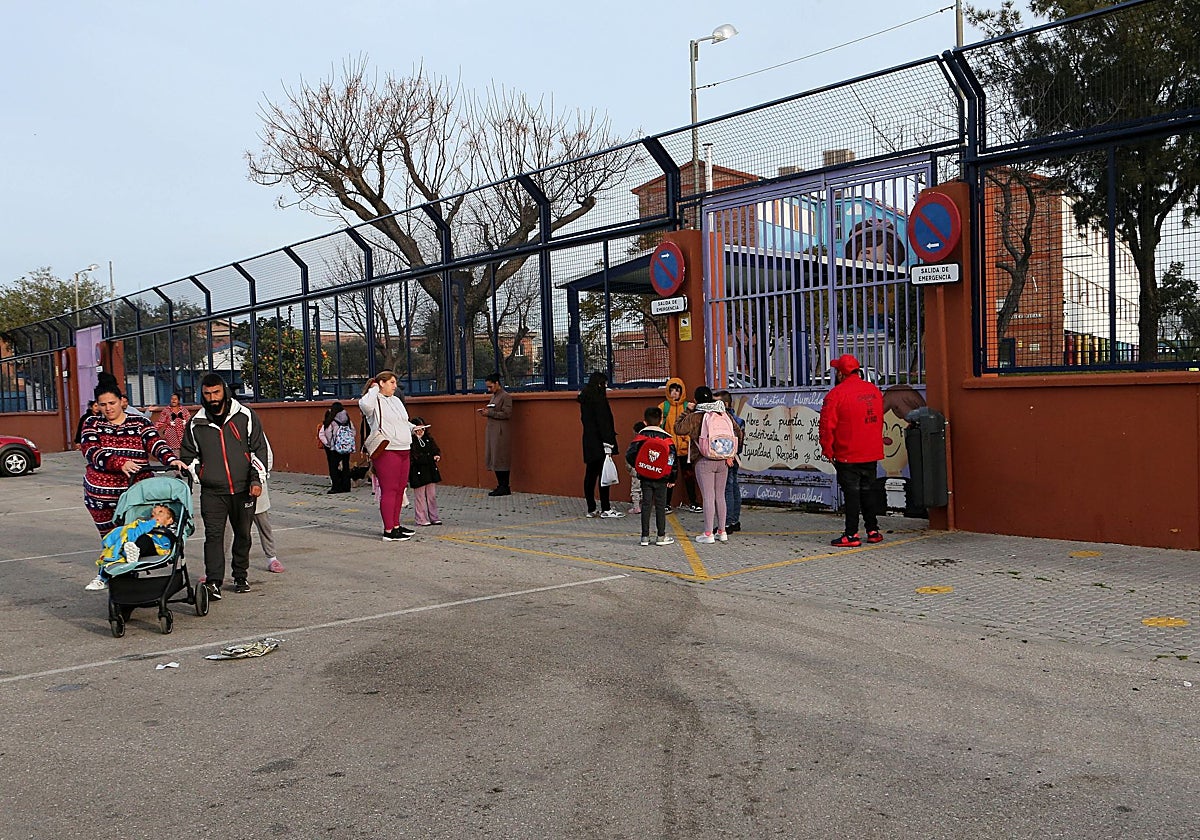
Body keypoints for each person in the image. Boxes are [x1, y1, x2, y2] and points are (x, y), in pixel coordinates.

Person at [81, 376, 184, 590]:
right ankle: (115, 584)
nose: (108, 408)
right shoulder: (92, 424)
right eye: (103, 404)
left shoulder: (139, 422)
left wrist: (171, 460)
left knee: (136, 537)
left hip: (135, 497)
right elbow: (92, 451)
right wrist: (120, 463)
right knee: (112, 540)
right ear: (97, 405)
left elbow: (155, 443)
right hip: (102, 499)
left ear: (122, 401)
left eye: (112, 403)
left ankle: (129, 584)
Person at [179, 373, 268, 599]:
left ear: (225, 391)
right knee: (213, 537)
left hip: (244, 489)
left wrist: (256, 479)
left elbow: (258, 449)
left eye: (216, 392)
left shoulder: (245, 415)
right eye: (207, 394)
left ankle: (240, 576)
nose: (212, 398)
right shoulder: (196, 423)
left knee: (243, 535)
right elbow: (188, 456)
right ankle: (213, 582)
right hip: (212, 493)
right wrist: (202, 474)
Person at [819, 353, 886, 547]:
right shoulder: (873, 391)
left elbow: (826, 426)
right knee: (868, 491)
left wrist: (827, 450)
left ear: (841, 373)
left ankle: (851, 534)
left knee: (851, 495)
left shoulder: (836, 394)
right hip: (870, 451)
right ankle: (873, 530)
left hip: (847, 453)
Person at [675, 385, 742, 544]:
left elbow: (678, 428)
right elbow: (738, 432)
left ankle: (708, 533)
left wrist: (687, 411)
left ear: (696, 400)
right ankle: (722, 531)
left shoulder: (695, 416)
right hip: (723, 459)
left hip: (703, 459)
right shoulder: (723, 413)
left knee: (708, 497)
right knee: (720, 495)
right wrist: (731, 452)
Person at [360, 371, 416, 541]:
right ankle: (389, 530)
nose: (395, 386)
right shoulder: (373, 400)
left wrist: (413, 428)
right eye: (391, 382)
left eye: (395, 383)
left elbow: (402, 421)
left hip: (404, 448)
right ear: (381, 383)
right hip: (388, 450)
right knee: (389, 489)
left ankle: (396, 525)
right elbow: (365, 405)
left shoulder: (396, 400)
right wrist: (373, 389)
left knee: (400, 489)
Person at [625, 406, 678, 547]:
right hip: (662, 478)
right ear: (661, 420)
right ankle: (661, 536)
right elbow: (672, 459)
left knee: (646, 505)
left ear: (645, 421)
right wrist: (672, 478)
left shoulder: (640, 437)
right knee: (660, 506)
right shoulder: (667, 439)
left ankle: (644, 536)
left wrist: (640, 466)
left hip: (645, 476)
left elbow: (629, 455)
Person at [89, 503, 176, 588]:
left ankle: (129, 553)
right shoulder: (145, 524)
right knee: (119, 543)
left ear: (170, 520)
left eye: (160, 512)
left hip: (154, 548)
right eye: (153, 515)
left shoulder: (170, 530)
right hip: (134, 545)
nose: (156, 516)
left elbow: (168, 542)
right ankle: (103, 576)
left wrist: (152, 525)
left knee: (144, 539)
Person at [578, 371, 623, 519]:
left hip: (589, 441)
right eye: (604, 384)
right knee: (604, 475)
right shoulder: (599, 400)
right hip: (601, 442)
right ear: (599, 384)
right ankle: (606, 508)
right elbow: (604, 423)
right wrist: (609, 443)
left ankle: (591, 508)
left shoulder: (585, 399)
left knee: (590, 475)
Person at [661, 377, 701, 512]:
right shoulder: (664, 407)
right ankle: (666, 503)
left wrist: (687, 439)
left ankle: (693, 502)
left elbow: (693, 425)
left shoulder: (688, 406)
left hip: (685, 449)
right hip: (669, 449)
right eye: (671, 390)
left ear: (681, 391)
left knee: (689, 476)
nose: (674, 393)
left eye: (677, 390)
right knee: (669, 477)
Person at [253, 435, 285, 574]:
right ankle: (217, 565)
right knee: (226, 528)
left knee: (263, 523)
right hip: (231, 487)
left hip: (255, 483)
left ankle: (272, 557)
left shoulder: (254, 429)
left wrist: (261, 475)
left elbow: (267, 455)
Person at [714, 389, 745, 533]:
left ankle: (727, 522)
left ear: (725, 404)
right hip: (735, 457)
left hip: (727, 457)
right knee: (733, 487)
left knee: (727, 488)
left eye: (716, 402)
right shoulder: (738, 420)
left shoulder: (725, 420)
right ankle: (734, 520)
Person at [478, 373, 512, 496]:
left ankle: (505, 485)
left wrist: (490, 413)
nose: (489, 389)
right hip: (492, 431)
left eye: (490, 386)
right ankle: (500, 485)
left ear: (497, 383)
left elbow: (507, 414)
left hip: (500, 432)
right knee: (494, 457)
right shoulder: (494, 397)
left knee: (501, 458)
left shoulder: (505, 396)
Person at [408, 416, 442, 526]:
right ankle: (421, 518)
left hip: (430, 471)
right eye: (418, 429)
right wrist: (430, 458)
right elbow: (415, 457)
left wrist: (436, 455)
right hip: (418, 472)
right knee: (420, 497)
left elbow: (435, 449)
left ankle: (434, 517)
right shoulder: (411, 441)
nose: (421, 431)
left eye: (423, 429)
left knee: (431, 496)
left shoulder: (428, 439)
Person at [321, 401, 354, 494]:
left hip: (334, 447)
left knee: (333, 467)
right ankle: (346, 486)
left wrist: (329, 444)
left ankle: (336, 487)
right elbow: (353, 431)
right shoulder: (347, 419)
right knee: (345, 466)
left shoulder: (332, 420)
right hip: (346, 447)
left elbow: (328, 433)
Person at [624, 420, 646, 515]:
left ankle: (636, 506)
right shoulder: (648, 441)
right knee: (645, 487)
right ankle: (644, 505)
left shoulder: (635, 443)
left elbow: (629, 456)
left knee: (635, 488)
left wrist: (629, 468)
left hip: (636, 468)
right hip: (645, 468)